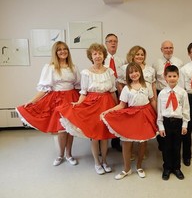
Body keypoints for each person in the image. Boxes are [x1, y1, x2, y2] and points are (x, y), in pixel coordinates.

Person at [16, 41, 81, 166]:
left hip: (71, 98)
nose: (63, 51)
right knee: (61, 129)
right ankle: (61, 155)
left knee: (70, 128)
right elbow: (44, 88)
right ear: (55, 53)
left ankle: (69, 154)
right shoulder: (50, 67)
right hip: (57, 99)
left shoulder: (73, 67)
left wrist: (81, 101)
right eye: (59, 49)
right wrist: (32, 101)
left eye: (65, 49)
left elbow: (78, 86)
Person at [57, 43, 118, 175]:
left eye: (100, 53)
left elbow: (113, 91)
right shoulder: (86, 73)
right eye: (95, 54)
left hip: (107, 104)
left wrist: (117, 107)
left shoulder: (109, 71)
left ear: (104, 55)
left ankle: (105, 161)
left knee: (105, 136)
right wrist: (78, 104)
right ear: (91, 56)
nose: (97, 56)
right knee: (95, 136)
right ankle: (97, 162)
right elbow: (83, 92)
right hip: (92, 105)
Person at [101, 62, 158, 180]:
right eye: (131, 72)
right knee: (127, 142)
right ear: (128, 75)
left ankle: (139, 166)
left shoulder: (147, 85)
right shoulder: (127, 88)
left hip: (146, 115)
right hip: (132, 115)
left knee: (142, 142)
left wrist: (159, 114)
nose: (134, 74)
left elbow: (152, 100)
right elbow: (122, 105)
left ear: (140, 72)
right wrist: (108, 111)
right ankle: (126, 168)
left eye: (136, 71)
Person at [118, 45, 157, 160]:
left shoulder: (150, 69)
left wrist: (154, 98)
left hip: (147, 101)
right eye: (137, 54)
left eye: (142, 54)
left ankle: (141, 152)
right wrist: (126, 98)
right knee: (131, 129)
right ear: (132, 55)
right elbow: (120, 83)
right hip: (131, 101)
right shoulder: (125, 68)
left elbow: (153, 85)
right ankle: (130, 152)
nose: (140, 56)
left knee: (144, 128)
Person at [157, 65, 190, 180]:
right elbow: (160, 111)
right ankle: (167, 168)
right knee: (166, 147)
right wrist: (160, 126)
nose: (172, 78)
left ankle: (176, 168)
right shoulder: (162, 93)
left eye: (174, 76)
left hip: (178, 123)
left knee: (176, 146)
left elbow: (186, 110)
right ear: (165, 77)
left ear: (178, 77)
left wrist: (185, 124)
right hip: (166, 123)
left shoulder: (182, 93)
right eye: (169, 76)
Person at [152, 40, 183, 151]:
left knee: (174, 118)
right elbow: (153, 81)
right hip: (161, 94)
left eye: (170, 47)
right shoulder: (156, 63)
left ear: (173, 49)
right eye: (166, 48)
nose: (168, 50)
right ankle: (162, 143)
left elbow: (181, 80)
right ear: (161, 49)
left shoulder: (179, 62)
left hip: (175, 94)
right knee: (161, 119)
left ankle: (175, 143)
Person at [104, 33, 126, 152]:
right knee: (106, 115)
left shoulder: (122, 60)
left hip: (119, 92)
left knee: (118, 117)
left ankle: (116, 142)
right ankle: (102, 142)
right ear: (106, 43)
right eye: (110, 41)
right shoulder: (102, 59)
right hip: (106, 93)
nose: (113, 43)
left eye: (115, 41)